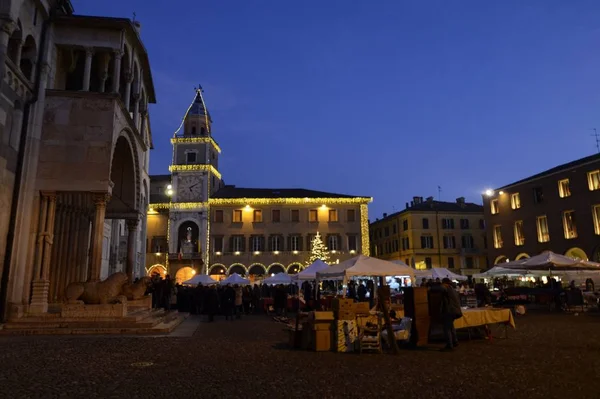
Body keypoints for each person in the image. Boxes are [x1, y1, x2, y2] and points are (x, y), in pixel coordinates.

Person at [440, 277, 462, 351]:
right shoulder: (453, 289)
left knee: (447, 328)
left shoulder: (446, 288)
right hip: (454, 310)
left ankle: (450, 345)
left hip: (449, 310)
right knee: (451, 327)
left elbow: (441, 288)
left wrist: (430, 288)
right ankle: (455, 341)